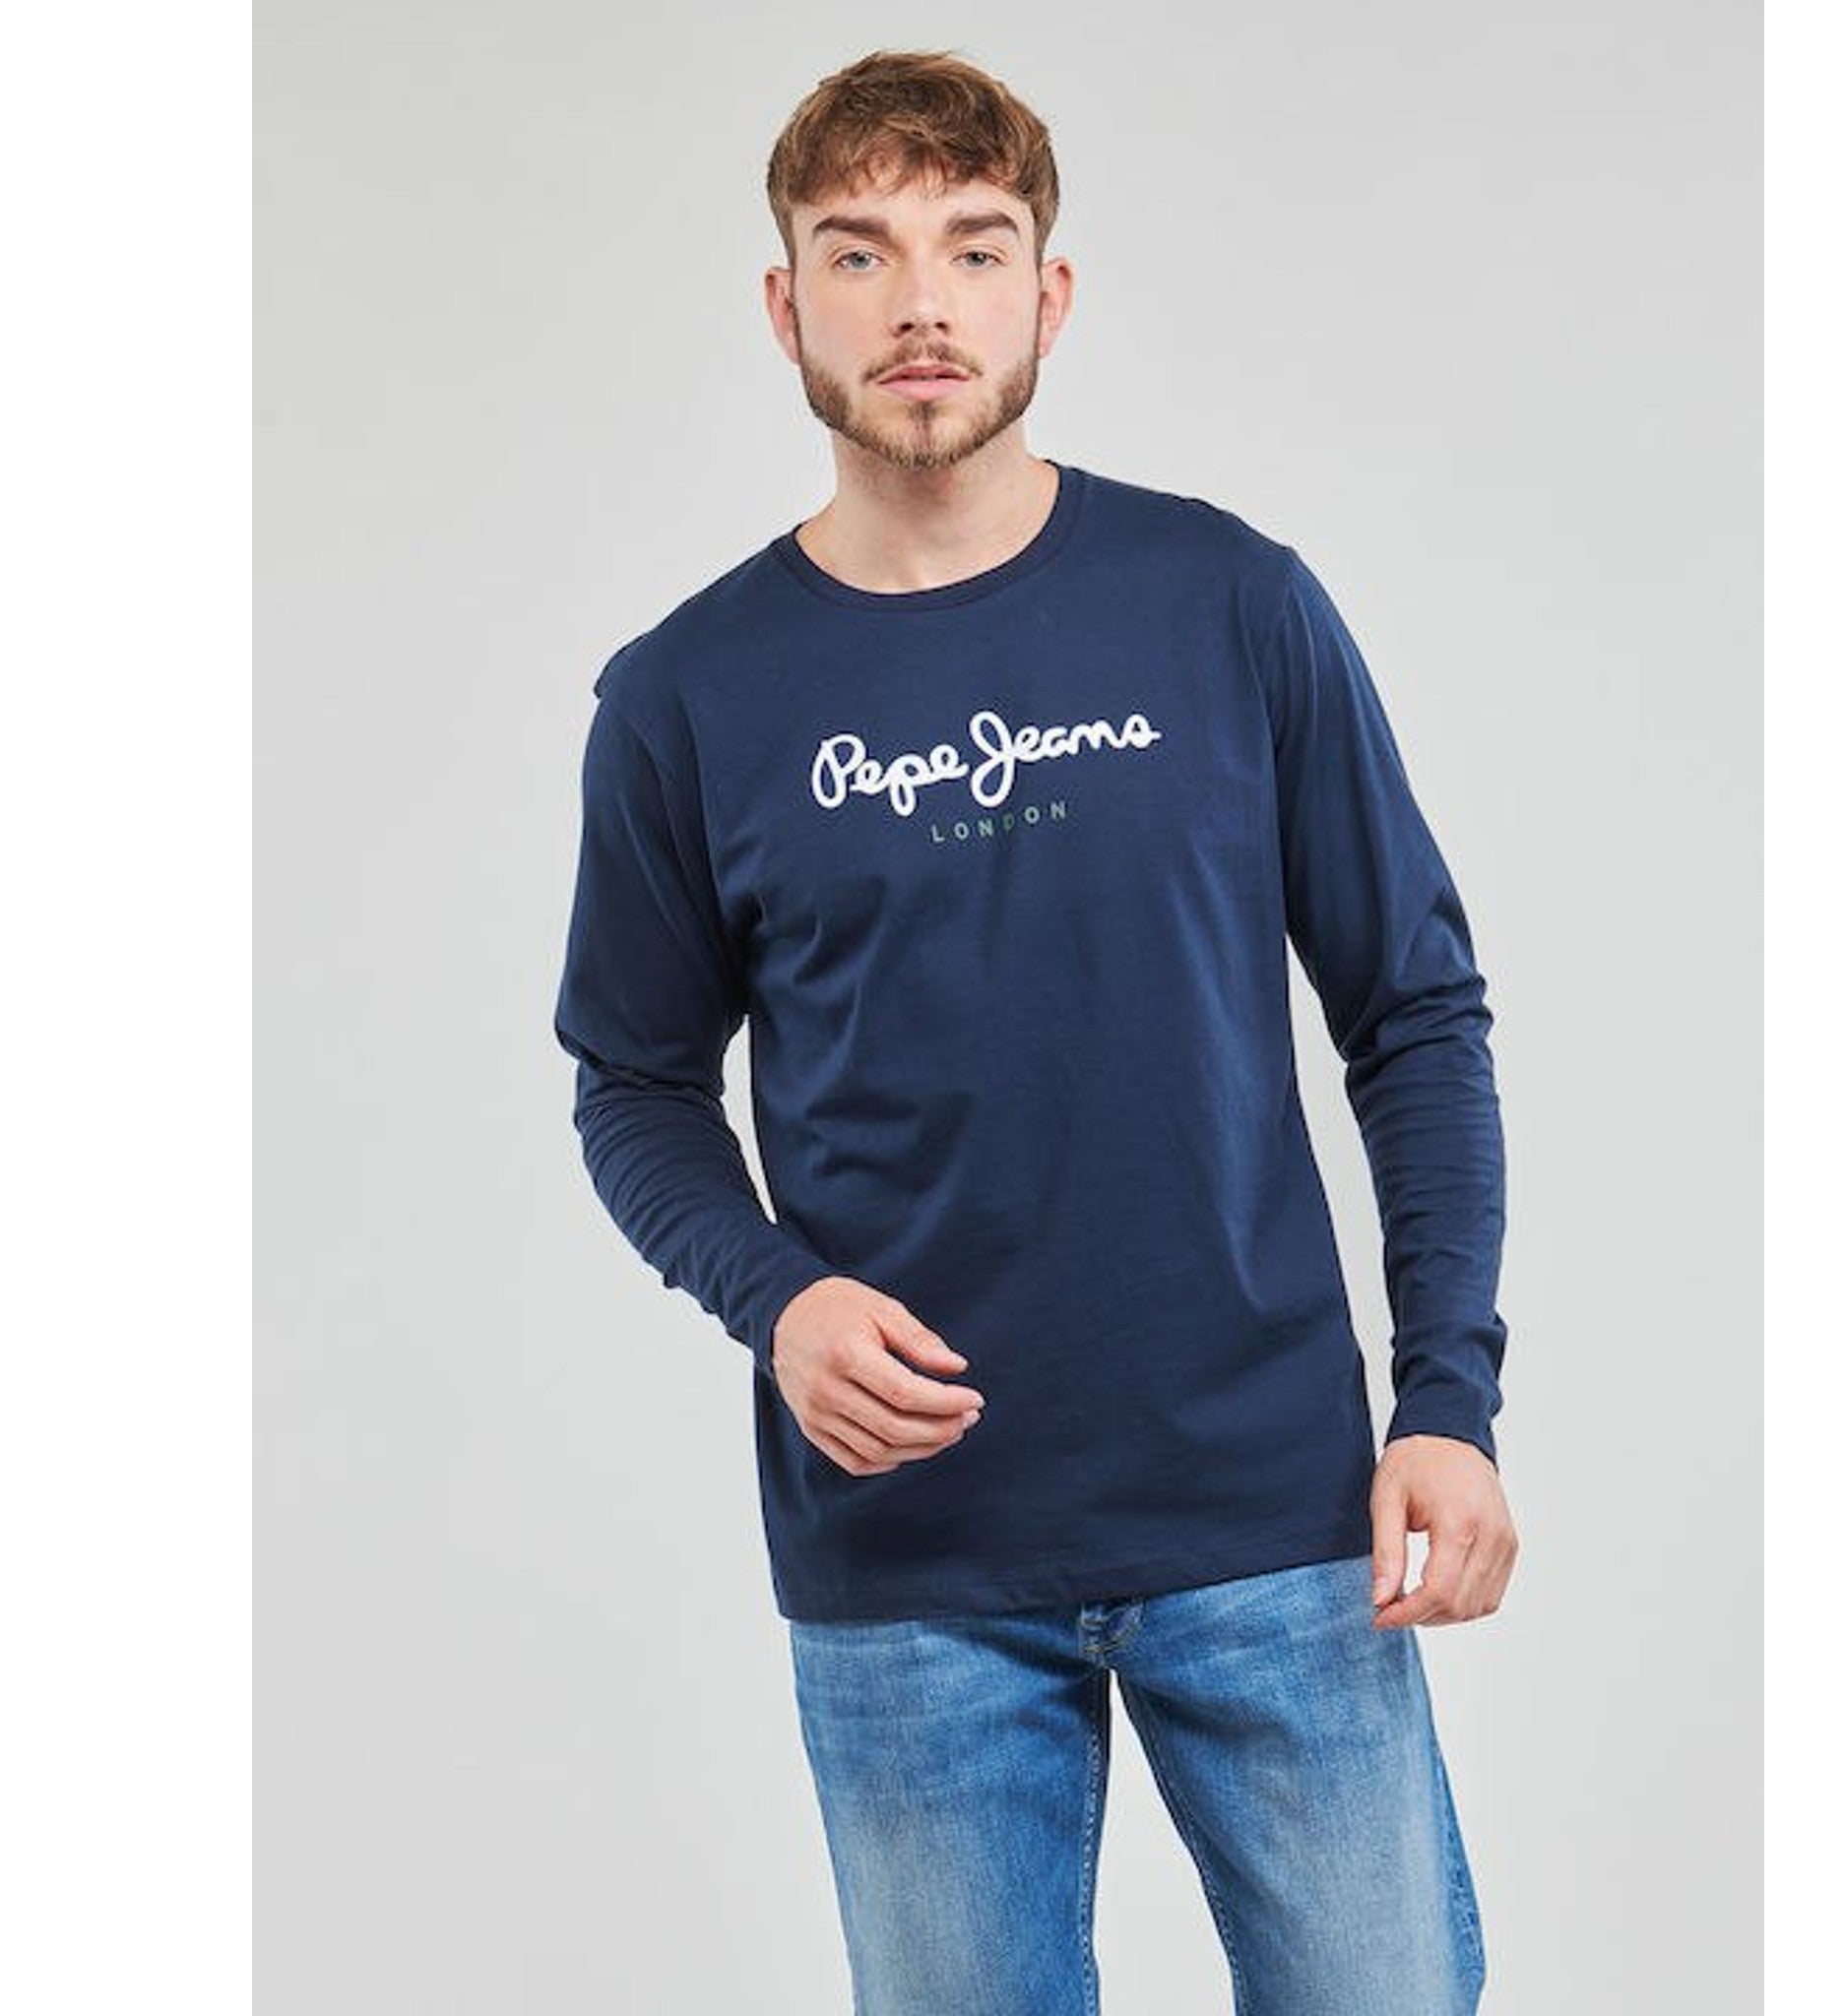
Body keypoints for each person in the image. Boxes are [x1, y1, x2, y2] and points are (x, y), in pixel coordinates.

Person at [552, 45, 1518, 2016]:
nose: (921, 303)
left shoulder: (1228, 604)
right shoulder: (686, 695)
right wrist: (776, 1301)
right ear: (784, 306)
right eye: (860, 252)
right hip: (910, 1563)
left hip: (1273, 1519)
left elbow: (1412, 1012)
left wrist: (1446, 1400)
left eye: (974, 249)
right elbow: (632, 1084)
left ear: (1047, 295)